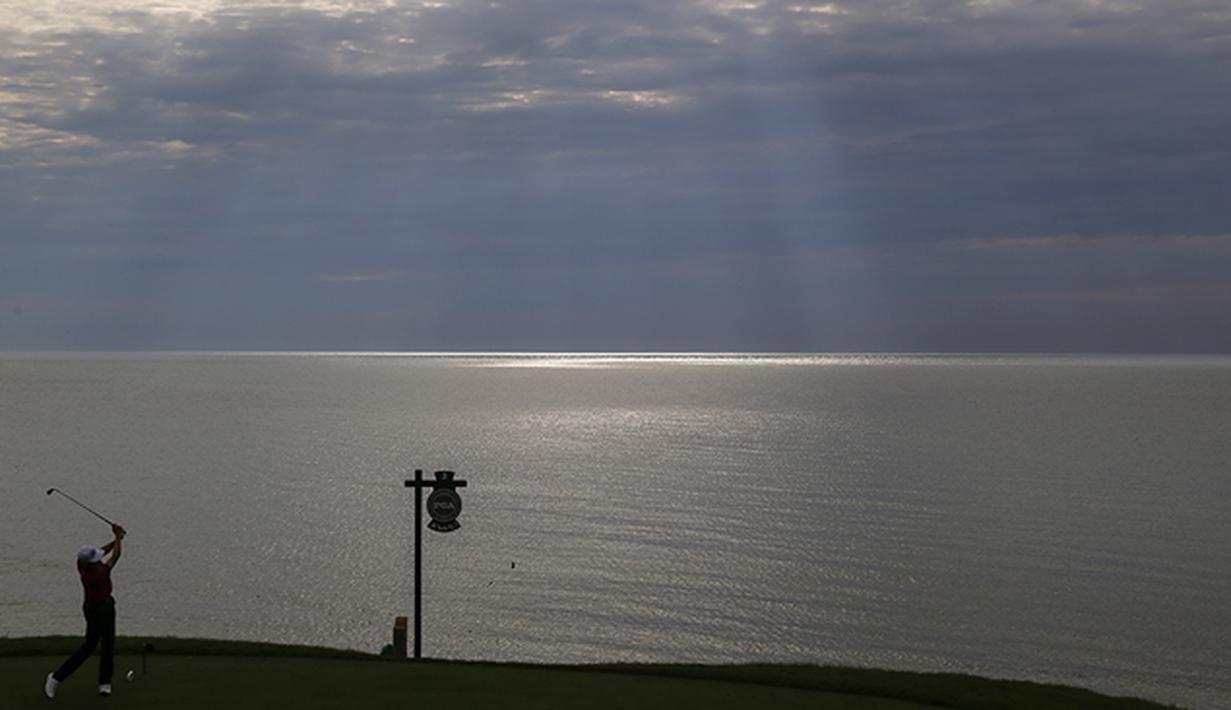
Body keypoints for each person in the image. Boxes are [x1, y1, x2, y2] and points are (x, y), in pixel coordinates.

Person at [44, 523, 126, 699]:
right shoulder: (98, 573)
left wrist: (116, 539)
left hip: (106, 605)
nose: (99, 556)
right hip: (96, 609)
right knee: (89, 647)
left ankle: (105, 683)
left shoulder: (81, 563)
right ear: (92, 562)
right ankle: (56, 677)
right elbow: (116, 556)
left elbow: (102, 552)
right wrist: (118, 538)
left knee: (108, 643)